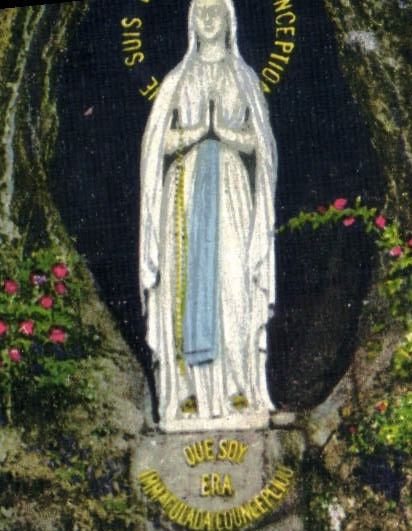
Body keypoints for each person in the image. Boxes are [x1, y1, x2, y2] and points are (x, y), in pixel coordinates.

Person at [139, 0, 277, 430]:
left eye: (218, 11)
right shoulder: (178, 80)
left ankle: (239, 387)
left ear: (230, 20)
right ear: (191, 21)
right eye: (202, 12)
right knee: (185, 284)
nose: (210, 20)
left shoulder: (244, 77)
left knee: (234, 283)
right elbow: (155, 144)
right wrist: (199, 133)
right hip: (184, 193)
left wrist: (227, 135)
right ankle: (190, 393)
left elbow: (262, 144)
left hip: (232, 189)